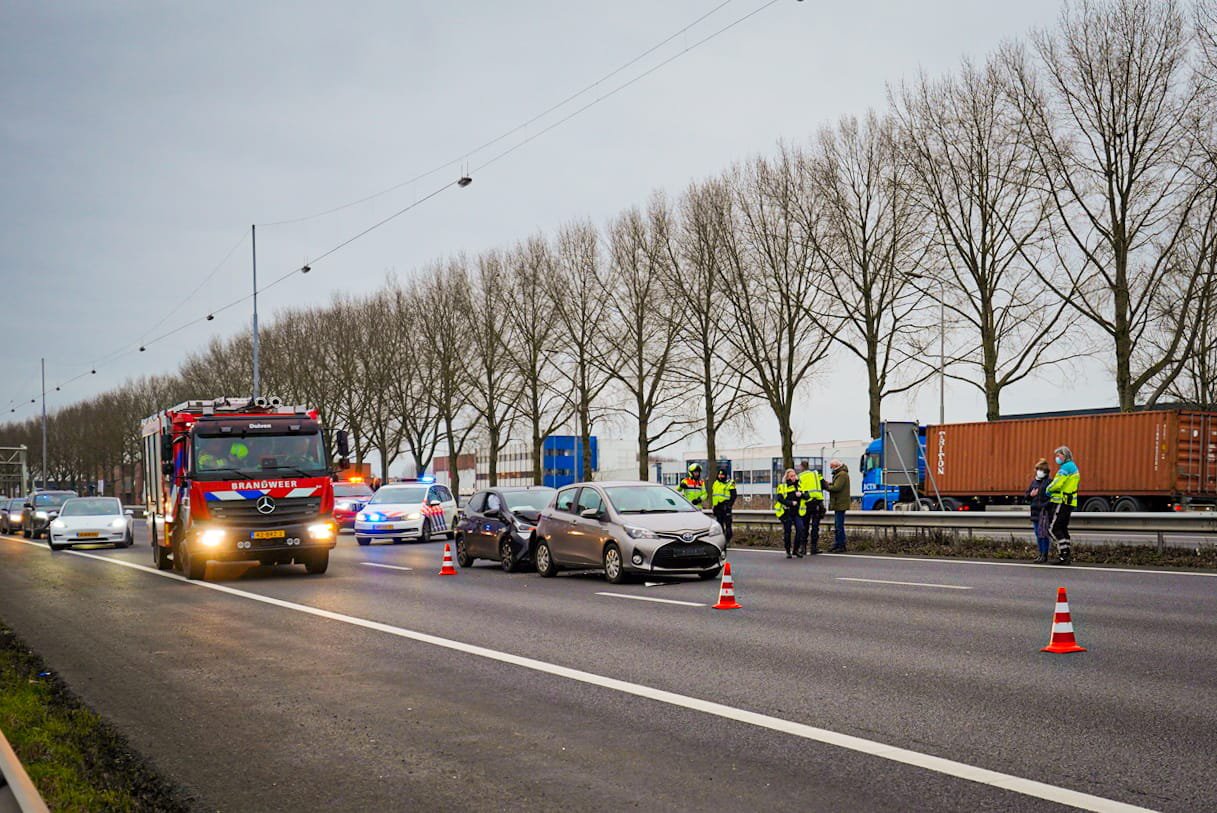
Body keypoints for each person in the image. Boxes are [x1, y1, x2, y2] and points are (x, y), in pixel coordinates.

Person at [1045, 445, 1080, 565]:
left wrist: (1048, 489)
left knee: (1053, 528)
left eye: (1058, 455)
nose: (1057, 458)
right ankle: (1066, 555)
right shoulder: (1073, 467)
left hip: (1062, 501)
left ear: (1065, 455)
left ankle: (1063, 554)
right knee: (1063, 529)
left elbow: (1057, 484)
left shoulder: (1065, 467)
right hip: (1069, 502)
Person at [774, 468, 807, 558]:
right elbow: (780, 499)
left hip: (797, 512)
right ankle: (788, 550)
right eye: (791, 476)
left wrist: (802, 495)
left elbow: (807, 496)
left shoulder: (800, 485)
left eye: (794, 475)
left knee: (800, 529)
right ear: (787, 477)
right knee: (787, 532)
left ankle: (795, 550)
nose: (793, 477)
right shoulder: (783, 486)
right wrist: (791, 503)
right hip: (787, 512)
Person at [1025, 458, 1052, 563]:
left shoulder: (1049, 482)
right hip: (1035, 511)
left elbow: (1052, 498)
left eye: (1041, 470)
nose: (1039, 472)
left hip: (1044, 512)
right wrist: (1030, 495)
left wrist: (1045, 506)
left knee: (1043, 534)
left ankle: (1044, 554)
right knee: (1037, 533)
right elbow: (1026, 496)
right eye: (1038, 469)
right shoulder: (1034, 482)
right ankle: (1040, 553)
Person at [797, 460, 826, 555]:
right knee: (815, 526)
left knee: (804, 526)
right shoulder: (816, 474)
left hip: (806, 504)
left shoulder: (799, 477)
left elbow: (798, 491)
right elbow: (824, 485)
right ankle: (814, 548)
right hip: (817, 503)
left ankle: (803, 548)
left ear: (801, 467)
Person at [825, 459, 851, 552]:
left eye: (831, 467)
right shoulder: (840, 474)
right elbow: (835, 485)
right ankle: (838, 543)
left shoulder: (842, 475)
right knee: (837, 525)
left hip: (840, 503)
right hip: (839, 503)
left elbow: (837, 487)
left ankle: (841, 545)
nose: (831, 469)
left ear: (835, 466)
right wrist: (828, 484)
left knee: (839, 526)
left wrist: (826, 487)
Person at [710, 468, 737, 548]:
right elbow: (714, 495)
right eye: (719, 474)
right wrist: (714, 506)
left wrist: (729, 505)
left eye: (722, 475)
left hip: (725, 506)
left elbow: (733, 496)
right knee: (719, 525)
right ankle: (721, 541)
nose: (720, 476)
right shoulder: (715, 483)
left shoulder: (730, 483)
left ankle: (728, 541)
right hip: (717, 507)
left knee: (728, 525)